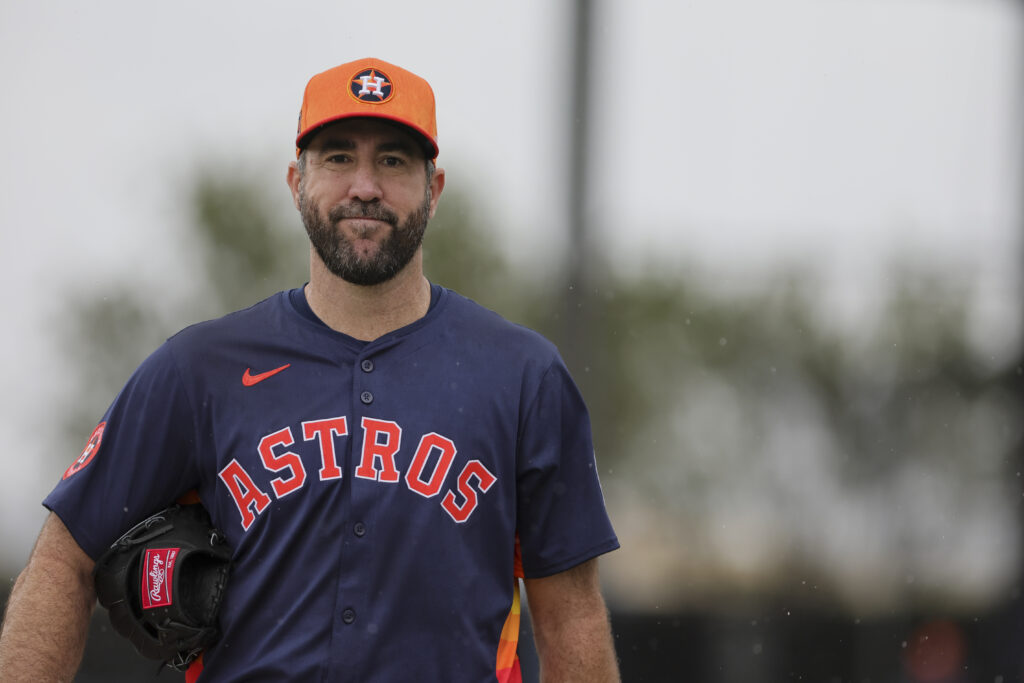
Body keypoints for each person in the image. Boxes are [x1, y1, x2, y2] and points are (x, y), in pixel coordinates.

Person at [0, 57, 620, 682]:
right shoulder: (200, 370)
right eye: (339, 157)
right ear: (297, 182)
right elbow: (62, 560)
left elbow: (571, 616)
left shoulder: (522, 376)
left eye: (394, 161)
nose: (365, 187)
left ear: (433, 190)